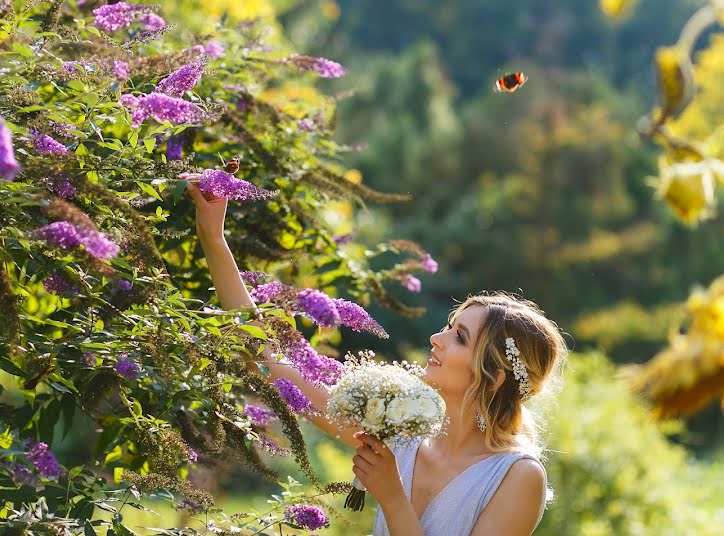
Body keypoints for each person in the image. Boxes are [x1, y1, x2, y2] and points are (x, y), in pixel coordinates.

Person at [182, 176, 569, 536]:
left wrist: (392, 496)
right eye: (449, 327)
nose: (436, 338)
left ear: (494, 376)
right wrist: (213, 236)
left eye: (460, 338)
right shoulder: (399, 430)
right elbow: (274, 367)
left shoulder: (518, 477)